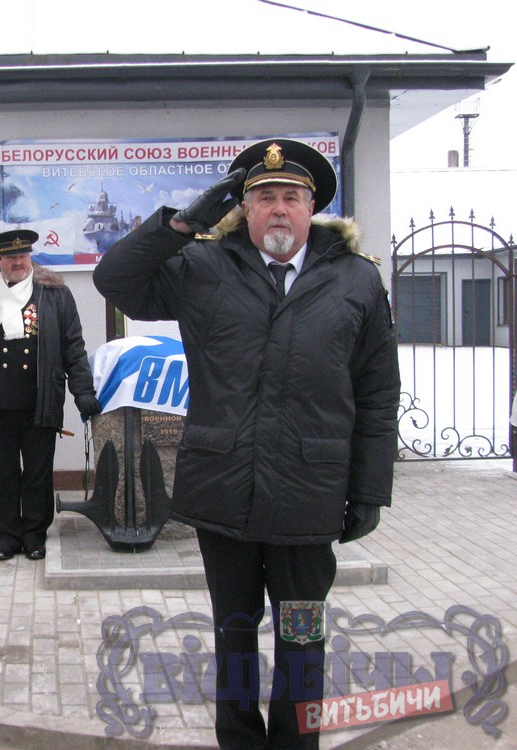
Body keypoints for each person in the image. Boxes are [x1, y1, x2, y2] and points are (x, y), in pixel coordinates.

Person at [93, 139, 400, 750]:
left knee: (302, 633)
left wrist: (369, 491)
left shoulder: (357, 280)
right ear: (244, 208)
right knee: (234, 628)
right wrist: (183, 224)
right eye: (264, 197)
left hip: (308, 502)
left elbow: (377, 394)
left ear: (313, 208)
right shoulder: (203, 268)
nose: (278, 210)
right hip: (224, 492)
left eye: (291, 197)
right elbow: (115, 277)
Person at [0, 229, 101, 561]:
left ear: (31, 257)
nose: (17, 262)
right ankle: (8, 537)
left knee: (38, 474)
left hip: (40, 400)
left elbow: (73, 346)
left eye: (22, 256)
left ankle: (35, 535)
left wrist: (82, 392)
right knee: (2, 475)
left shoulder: (55, 294)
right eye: (9, 257)